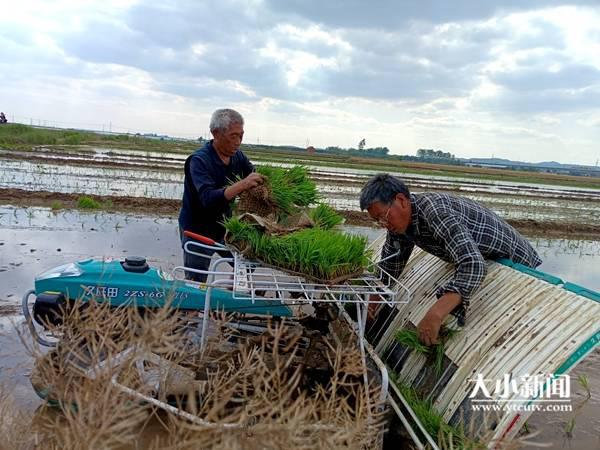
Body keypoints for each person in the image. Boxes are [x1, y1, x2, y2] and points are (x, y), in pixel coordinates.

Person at [360, 174, 542, 346]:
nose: (383, 225)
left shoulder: (435, 211)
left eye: (384, 216)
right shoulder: (398, 228)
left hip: (518, 264)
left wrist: (435, 314)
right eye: (377, 221)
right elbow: (390, 266)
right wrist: (373, 301)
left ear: (401, 200)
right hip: (484, 257)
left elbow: (473, 264)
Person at [178, 108, 265, 281]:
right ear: (215, 133)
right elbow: (208, 198)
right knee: (197, 279)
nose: (238, 142)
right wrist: (243, 184)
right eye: (233, 136)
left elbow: (254, 175)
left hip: (224, 225)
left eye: (241, 135)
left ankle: (231, 295)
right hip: (198, 228)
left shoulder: (238, 157)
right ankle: (193, 308)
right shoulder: (199, 160)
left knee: (248, 262)